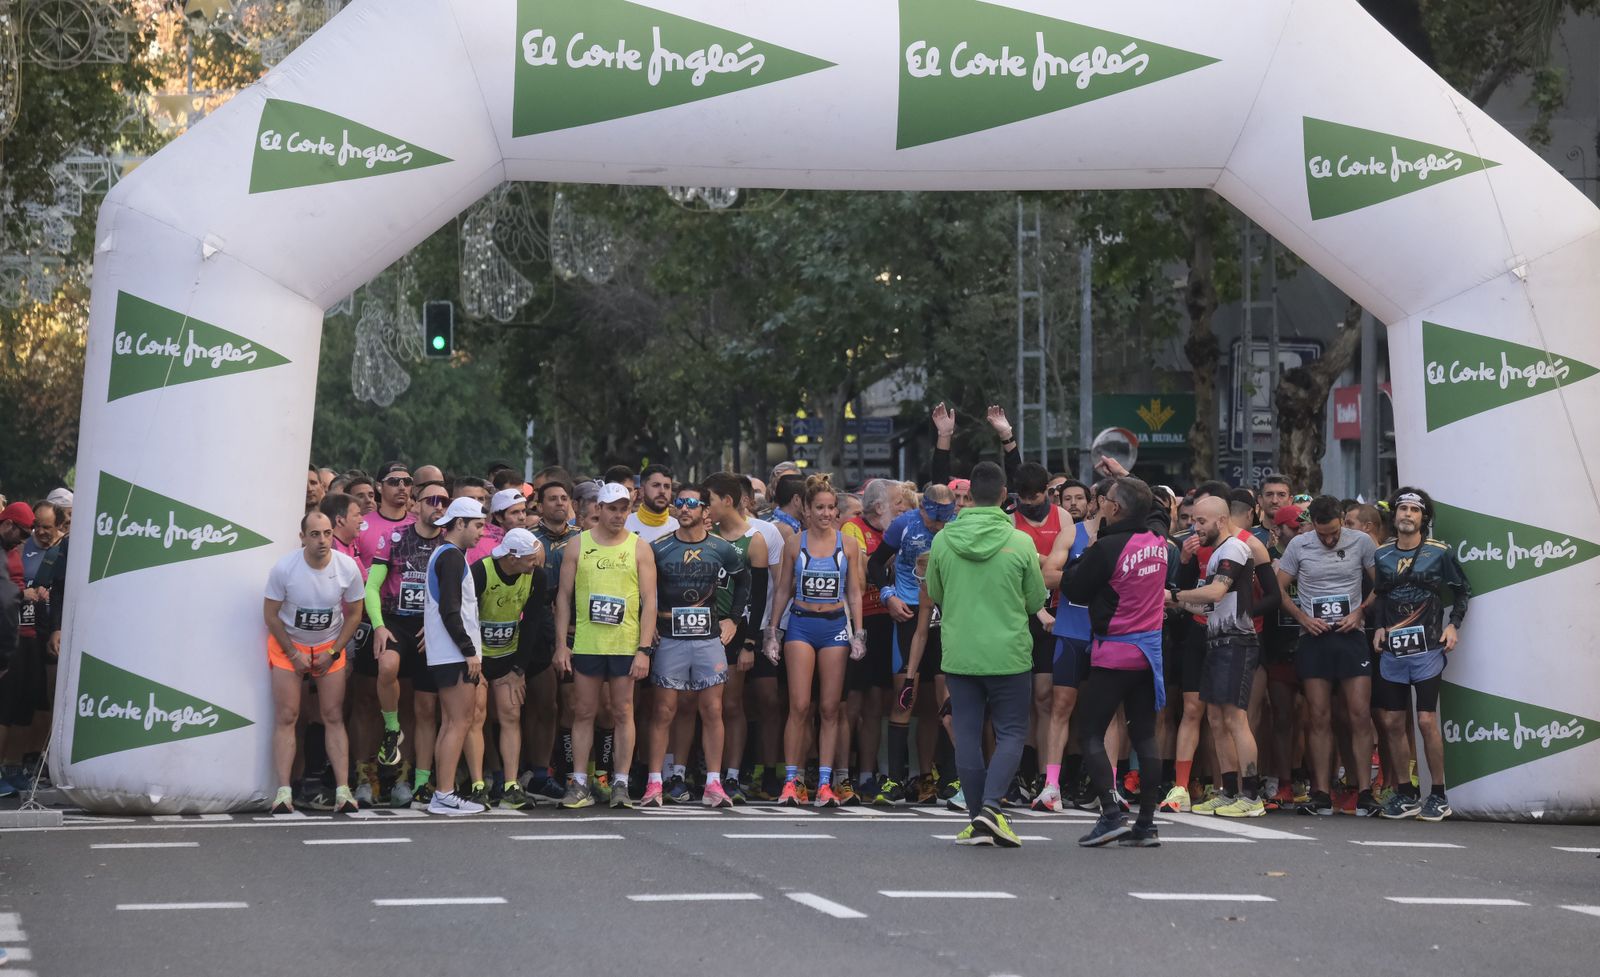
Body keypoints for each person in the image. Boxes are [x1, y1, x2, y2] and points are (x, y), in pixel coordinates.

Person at [927, 462, 1046, 847]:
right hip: (1008, 651)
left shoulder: (944, 540)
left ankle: (978, 815)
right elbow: (1035, 600)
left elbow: (936, 591)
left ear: (969, 496)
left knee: (967, 733)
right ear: (1003, 496)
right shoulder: (1021, 541)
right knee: (1011, 732)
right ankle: (991, 808)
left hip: (961, 650)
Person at [1064, 476, 1170, 846]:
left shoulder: (1107, 547)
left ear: (1116, 508)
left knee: (1090, 731)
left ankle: (1110, 814)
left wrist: (1086, 551)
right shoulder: (1158, 540)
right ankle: (1146, 824)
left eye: (1104, 499)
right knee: (1144, 735)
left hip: (1114, 652)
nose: (1100, 504)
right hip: (1149, 653)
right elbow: (1157, 509)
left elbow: (1073, 587)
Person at [640, 483, 750, 808]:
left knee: (713, 709)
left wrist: (732, 620)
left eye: (692, 503)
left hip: (707, 638)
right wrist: (650, 628)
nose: (684, 508)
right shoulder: (656, 547)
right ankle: (654, 783)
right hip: (670, 637)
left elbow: (744, 581)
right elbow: (642, 592)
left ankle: (714, 784)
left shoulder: (722, 548)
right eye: (680, 503)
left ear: (705, 511)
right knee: (664, 710)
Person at [764, 473, 867, 807]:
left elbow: (854, 591)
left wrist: (858, 634)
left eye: (830, 508)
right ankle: (792, 780)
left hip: (835, 625)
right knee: (799, 706)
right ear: (806, 509)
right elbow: (782, 590)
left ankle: (825, 781)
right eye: (819, 507)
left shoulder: (847, 543)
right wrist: (772, 632)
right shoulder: (795, 543)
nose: (825, 513)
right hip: (802, 626)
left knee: (829, 708)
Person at [1174, 496, 1280, 817]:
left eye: (1201, 521)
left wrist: (1173, 595)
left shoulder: (1234, 548)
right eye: (1192, 520)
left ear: (1220, 521)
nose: (1195, 527)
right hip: (1217, 639)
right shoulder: (1220, 552)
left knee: (1235, 718)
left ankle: (1250, 795)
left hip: (1237, 640)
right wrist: (1173, 603)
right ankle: (1229, 790)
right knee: (1216, 718)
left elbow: (1215, 593)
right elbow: (1208, 605)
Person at [553, 482, 658, 809]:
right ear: (598, 508)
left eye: (623, 508)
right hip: (588, 642)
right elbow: (563, 598)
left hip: (624, 645)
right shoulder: (577, 545)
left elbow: (650, 601)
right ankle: (580, 782)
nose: (618, 515)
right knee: (583, 711)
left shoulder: (639, 547)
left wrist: (643, 649)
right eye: (612, 508)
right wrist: (561, 645)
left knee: (622, 711)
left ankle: (621, 784)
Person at [1372, 488, 1470, 822]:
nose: (1408, 515)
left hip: (1428, 646)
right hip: (1394, 649)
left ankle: (1439, 794)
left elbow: (1462, 590)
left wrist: (1454, 625)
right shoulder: (1382, 553)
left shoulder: (1439, 552)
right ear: (1394, 515)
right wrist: (1379, 628)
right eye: (1403, 509)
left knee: (1426, 720)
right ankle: (1405, 792)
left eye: (1414, 510)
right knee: (1392, 721)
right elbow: (1381, 595)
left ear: (1423, 518)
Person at [1277, 494, 1378, 816]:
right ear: (1313, 526)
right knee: (1317, 716)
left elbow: (1383, 582)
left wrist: (1360, 612)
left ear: (1341, 519)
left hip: (1351, 636)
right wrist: (1303, 618)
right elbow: (1277, 589)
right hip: (1314, 637)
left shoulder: (1361, 541)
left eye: (1334, 532)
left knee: (1359, 714)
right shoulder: (1300, 545)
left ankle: (1363, 791)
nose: (1329, 539)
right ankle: (1321, 792)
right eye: (1322, 534)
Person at [264, 511, 366, 815]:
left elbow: (355, 614)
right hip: (289, 646)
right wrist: (293, 655)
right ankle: (283, 792)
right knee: (287, 715)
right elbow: (270, 616)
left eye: (327, 534)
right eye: (315, 534)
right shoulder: (284, 568)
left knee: (332, 714)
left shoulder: (347, 566)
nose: (322, 540)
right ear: (302, 537)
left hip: (328, 646)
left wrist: (333, 652)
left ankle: (342, 791)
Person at [867, 483, 956, 805]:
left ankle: (946, 778)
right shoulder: (904, 525)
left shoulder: (957, 527)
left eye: (943, 519)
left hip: (945, 617)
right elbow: (875, 564)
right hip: (908, 612)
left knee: (945, 702)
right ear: (922, 510)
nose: (938, 526)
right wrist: (888, 597)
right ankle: (893, 780)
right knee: (905, 695)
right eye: (933, 519)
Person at [366, 480, 450, 808]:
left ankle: (422, 781)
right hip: (396, 622)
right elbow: (372, 587)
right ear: (416, 504)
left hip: (430, 627)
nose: (438, 506)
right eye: (431, 500)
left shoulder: (448, 545)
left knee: (427, 709)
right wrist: (378, 627)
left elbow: (456, 595)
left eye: (444, 501)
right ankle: (391, 727)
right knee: (387, 666)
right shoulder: (396, 538)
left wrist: (438, 627)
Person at [418, 498, 488, 814]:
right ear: (459, 523)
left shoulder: (449, 556)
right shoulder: (452, 558)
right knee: (459, 722)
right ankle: (444, 794)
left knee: (451, 723)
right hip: (454, 655)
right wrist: (469, 651)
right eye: (477, 525)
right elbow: (450, 610)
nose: (481, 532)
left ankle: (442, 792)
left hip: (447, 654)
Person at [470, 526, 546, 810]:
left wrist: (518, 669)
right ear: (512, 556)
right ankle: (478, 784)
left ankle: (511, 785)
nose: (535, 562)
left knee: (511, 713)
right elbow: (465, 615)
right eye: (530, 558)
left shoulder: (535, 576)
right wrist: (470, 659)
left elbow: (532, 623)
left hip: (508, 654)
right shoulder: (480, 571)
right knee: (476, 716)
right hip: (477, 655)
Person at [706, 472, 769, 803]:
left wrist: (750, 644)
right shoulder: (707, 535)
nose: (706, 507)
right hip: (703, 628)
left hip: (736, 629)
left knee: (731, 703)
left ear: (727, 501)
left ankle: (731, 775)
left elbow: (758, 598)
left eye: (710, 501)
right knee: (705, 704)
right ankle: (705, 773)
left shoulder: (753, 540)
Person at [843, 478, 897, 804]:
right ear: (880, 507)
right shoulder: (853, 528)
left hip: (885, 620)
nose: (903, 510)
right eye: (898, 504)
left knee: (876, 701)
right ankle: (841, 773)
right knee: (852, 701)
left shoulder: (894, 532)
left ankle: (867, 773)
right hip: (857, 620)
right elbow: (860, 572)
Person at [626, 464, 677, 544]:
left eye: (667, 486)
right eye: (656, 485)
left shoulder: (678, 529)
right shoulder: (625, 525)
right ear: (642, 491)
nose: (662, 491)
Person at [770, 473, 807, 538]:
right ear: (796, 499)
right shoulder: (785, 530)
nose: (810, 503)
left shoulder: (793, 526)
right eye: (808, 498)